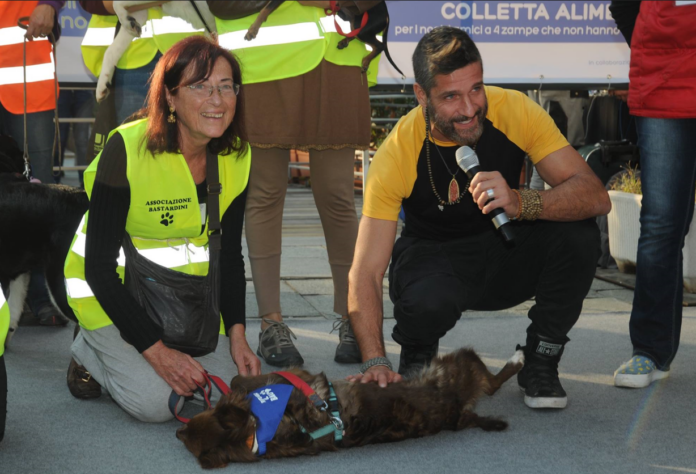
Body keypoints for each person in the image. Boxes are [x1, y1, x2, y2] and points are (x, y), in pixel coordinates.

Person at [346, 26, 611, 409]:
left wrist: (523, 203)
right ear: (422, 95)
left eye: (476, 89)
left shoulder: (515, 109)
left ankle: (541, 360)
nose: (469, 108)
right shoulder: (398, 149)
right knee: (424, 298)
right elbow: (365, 272)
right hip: (436, 261)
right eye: (451, 96)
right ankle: (418, 352)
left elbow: (595, 195)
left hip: (507, 250)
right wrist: (374, 360)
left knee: (579, 236)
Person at [62, 36, 261, 422]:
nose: (217, 100)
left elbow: (229, 257)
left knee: (228, 390)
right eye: (200, 87)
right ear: (170, 97)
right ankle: (88, 349)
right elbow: (98, 269)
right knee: (158, 405)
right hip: (109, 295)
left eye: (225, 87)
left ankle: (141, 352)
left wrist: (237, 335)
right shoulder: (127, 150)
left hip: (183, 299)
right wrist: (157, 352)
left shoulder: (237, 155)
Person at [211, 1, 376, 367]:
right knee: (265, 194)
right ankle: (271, 322)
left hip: (340, 54)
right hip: (264, 64)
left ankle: (353, 316)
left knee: (337, 195)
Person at [610, 1, 696, 388]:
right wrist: (655, 50)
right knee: (661, 223)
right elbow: (623, 6)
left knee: (662, 225)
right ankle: (649, 349)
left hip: (663, 77)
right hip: (664, 84)